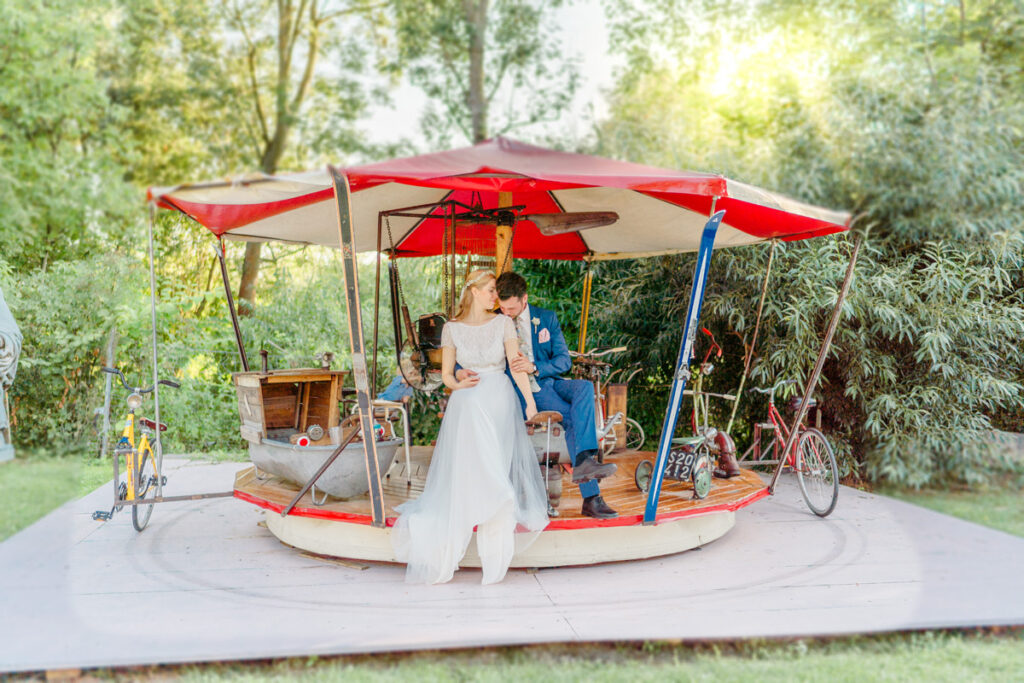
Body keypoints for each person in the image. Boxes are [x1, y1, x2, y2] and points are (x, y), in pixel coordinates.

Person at [390, 270, 549, 584]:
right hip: (468, 401)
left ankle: (494, 547)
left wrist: (530, 403)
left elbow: (516, 365)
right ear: (474, 291)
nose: (496, 296)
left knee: (496, 464)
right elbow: (447, 375)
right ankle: (476, 518)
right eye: (491, 290)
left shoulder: (504, 323)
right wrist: (457, 384)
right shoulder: (451, 329)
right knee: (470, 468)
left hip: (500, 399)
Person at [461, 272, 618, 520]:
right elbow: (472, 352)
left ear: (524, 299)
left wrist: (535, 367)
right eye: (502, 307)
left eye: (511, 307)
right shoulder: (495, 321)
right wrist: (460, 373)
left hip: (548, 379)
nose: (506, 312)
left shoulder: (545, 318)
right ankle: (591, 493)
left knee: (585, 388)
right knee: (571, 416)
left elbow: (564, 360)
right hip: (525, 390)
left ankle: (585, 461)